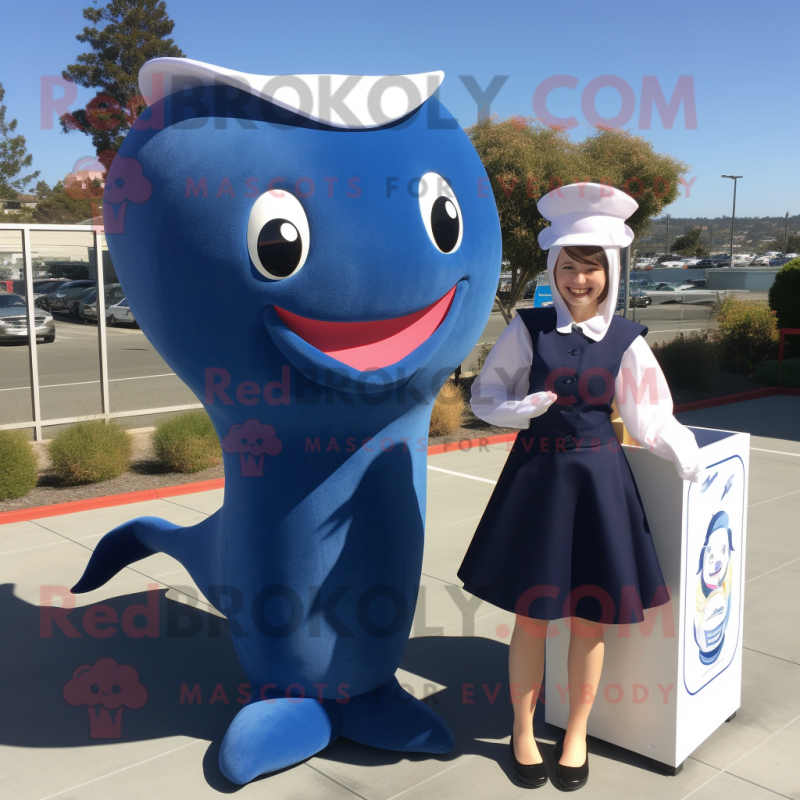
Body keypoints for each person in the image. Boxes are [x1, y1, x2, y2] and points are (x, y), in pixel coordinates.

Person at [457, 183, 705, 791]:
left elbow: (650, 417)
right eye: (569, 266)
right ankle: (521, 728)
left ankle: (576, 734)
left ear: (609, 272)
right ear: (554, 267)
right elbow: (486, 397)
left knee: (589, 620)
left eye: (591, 268)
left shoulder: (626, 341)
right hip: (537, 483)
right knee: (533, 618)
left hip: (597, 485)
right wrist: (523, 409)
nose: (579, 280)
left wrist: (685, 453)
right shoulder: (529, 327)